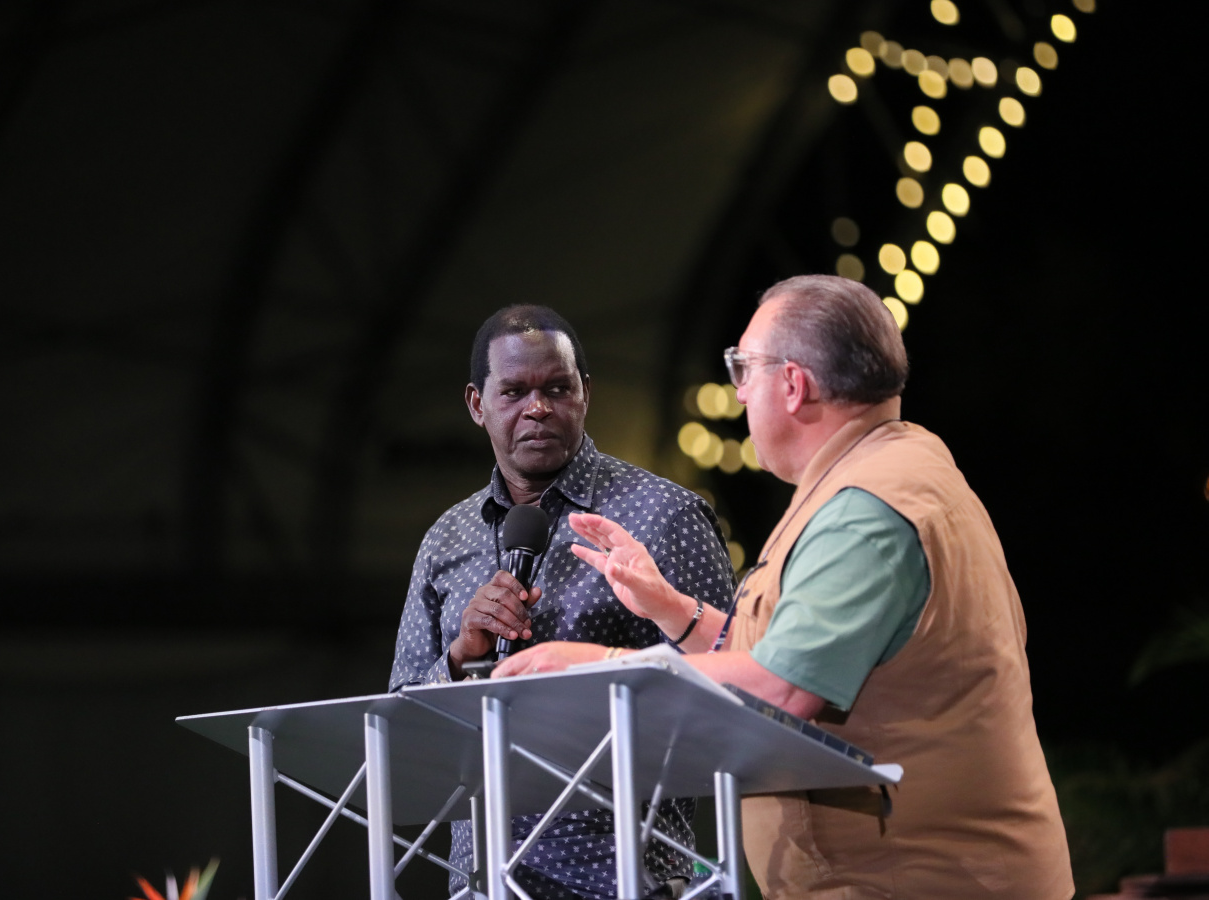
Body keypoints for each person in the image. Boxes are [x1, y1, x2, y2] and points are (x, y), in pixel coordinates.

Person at [497, 275, 1074, 899]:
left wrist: (595, 668)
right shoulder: (880, 472)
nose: (739, 392)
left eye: (744, 368)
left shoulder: (868, 509)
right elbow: (795, 658)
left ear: (794, 385)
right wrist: (673, 610)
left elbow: (784, 688)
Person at [389, 304, 735, 900]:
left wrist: (601, 669)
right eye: (514, 392)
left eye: (557, 388)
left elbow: (731, 687)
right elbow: (396, 729)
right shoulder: (446, 539)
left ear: (585, 394)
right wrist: (459, 658)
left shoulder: (665, 515)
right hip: (481, 883)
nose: (538, 408)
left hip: (627, 877)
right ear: (476, 404)